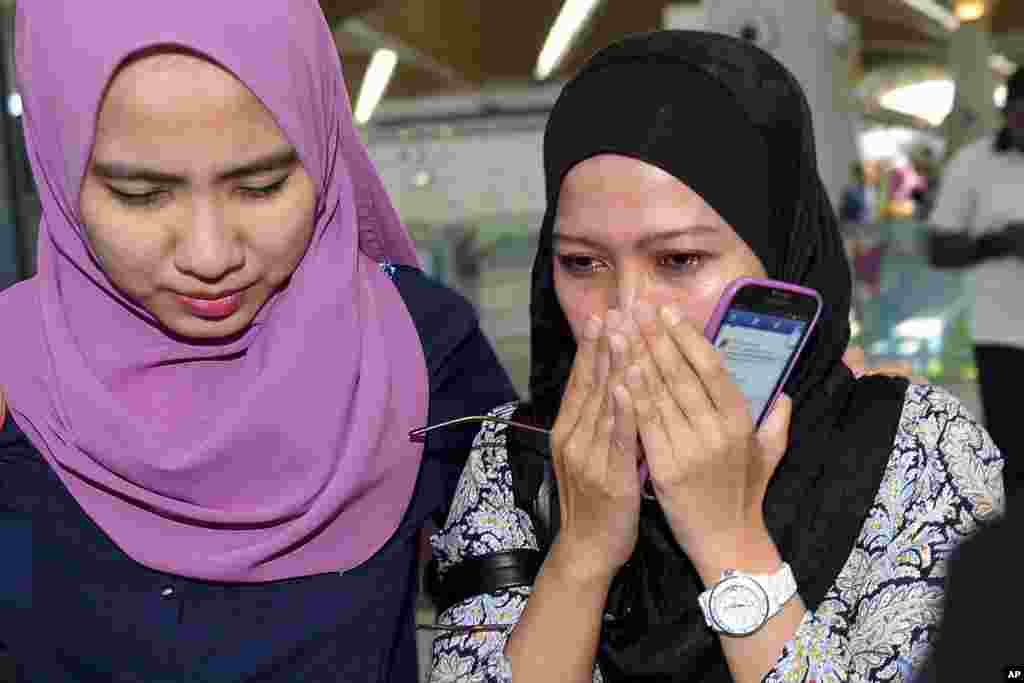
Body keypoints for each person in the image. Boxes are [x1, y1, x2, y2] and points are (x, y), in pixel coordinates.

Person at [426, 31, 1004, 683]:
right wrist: (581, 554)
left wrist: (730, 542)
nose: (628, 314)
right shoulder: (520, 456)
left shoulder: (916, 448)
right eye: (582, 263)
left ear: (782, 253)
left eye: (679, 260)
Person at [0, 2, 517, 681]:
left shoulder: (423, 352)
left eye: (262, 186)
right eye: (141, 195)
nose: (210, 255)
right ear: (58, 168)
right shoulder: (10, 387)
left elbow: (517, 628)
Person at [927, 65, 1024, 500]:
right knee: (1011, 450)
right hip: (1000, 332)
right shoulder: (973, 163)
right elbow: (939, 249)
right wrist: (1001, 242)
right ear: (1008, 110)